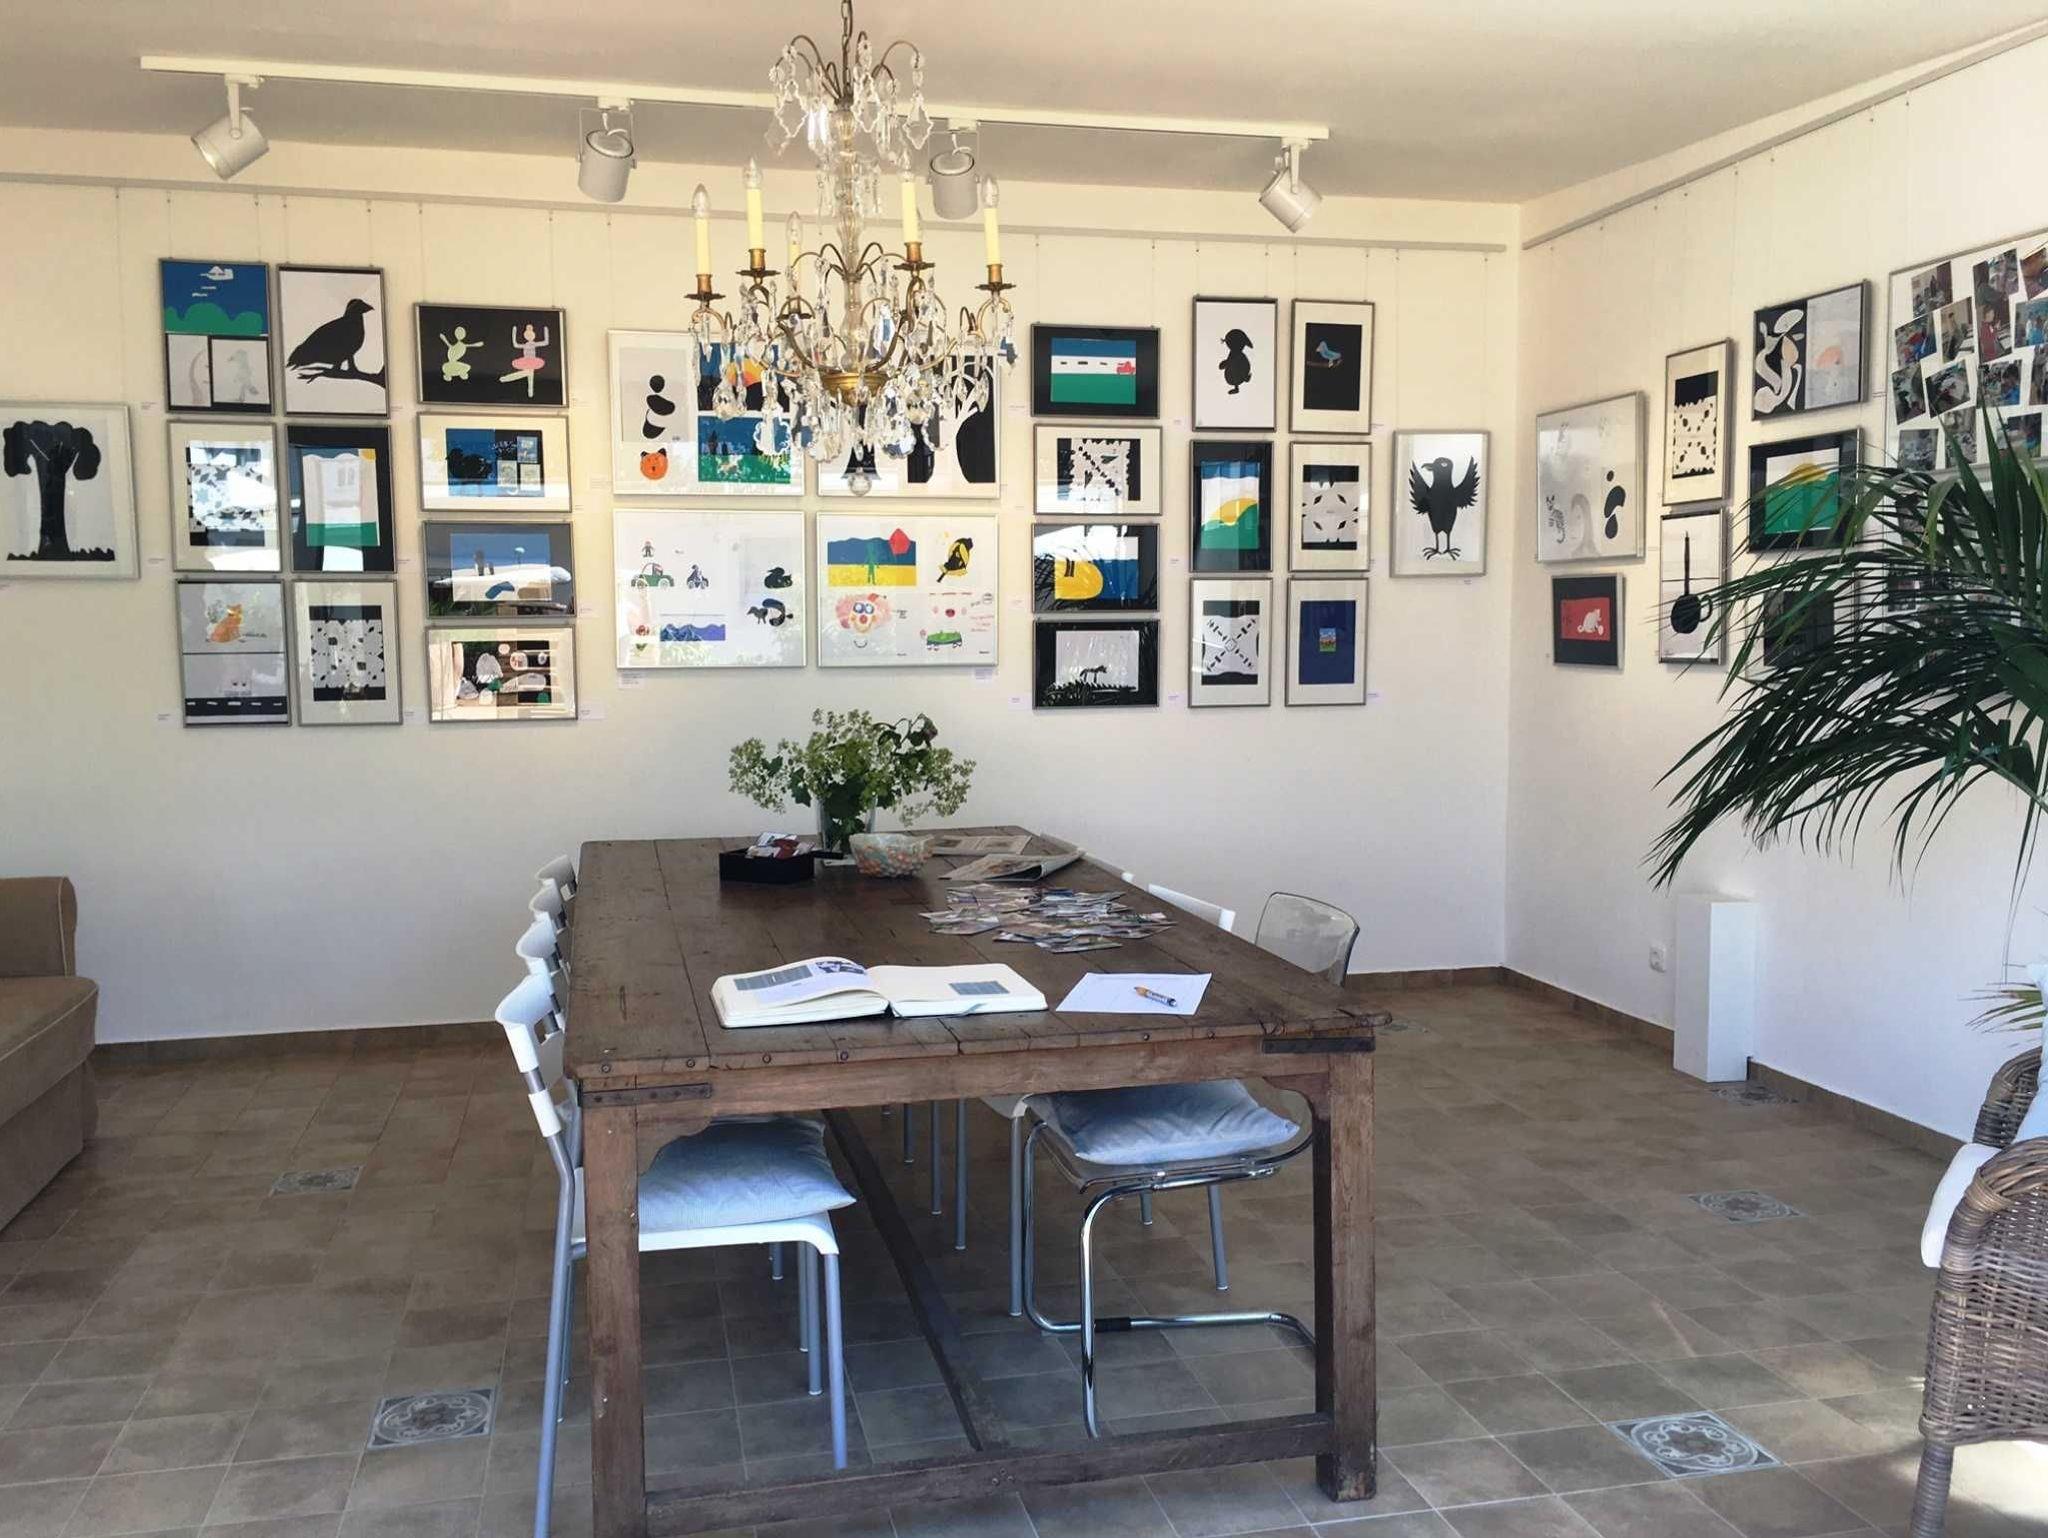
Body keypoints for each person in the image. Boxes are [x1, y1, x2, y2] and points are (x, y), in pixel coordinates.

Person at [500, 322, 552, 398]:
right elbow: (515, 344)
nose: (529, 336)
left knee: (529, 375)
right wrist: (514, 332)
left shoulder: (534, 344)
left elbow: (545, 342)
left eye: (530, 335)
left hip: (532, 361)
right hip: (526, 361)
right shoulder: (525, 345)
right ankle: (529, 391)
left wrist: (546, 331)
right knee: (529, 375)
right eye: (527, 335)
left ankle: (507, 378)